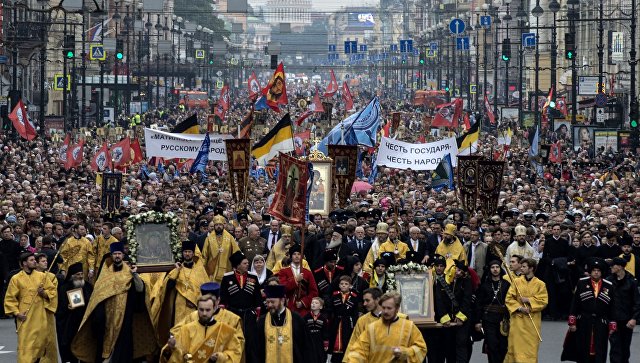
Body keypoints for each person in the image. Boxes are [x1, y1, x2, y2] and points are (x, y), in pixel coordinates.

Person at [71, 242, 156, 362]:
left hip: (125, 315)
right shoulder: (105, 274)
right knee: (105, 342)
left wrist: (135, 275)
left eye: (119, 254)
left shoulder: (129, 272)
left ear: (122, 255)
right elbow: (98, 295)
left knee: (124, 344)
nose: (117, 256)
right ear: (112, 255)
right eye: (115, 254)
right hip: (107, 317)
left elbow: (140, 290)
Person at [151, 239, 209, 345]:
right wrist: (177, 271)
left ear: (193, 253)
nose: (187, 254)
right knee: (179, 331)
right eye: (185, 252)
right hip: (179, 305)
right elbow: (167, 288)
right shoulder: (176, 270)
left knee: (194, 333)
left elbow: (205, 289)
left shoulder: (200, 271)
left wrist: (197, 301)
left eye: (189, 252)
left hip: (195, 307)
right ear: (182, 253)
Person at [3, 252, 57, 363]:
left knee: (40, 346)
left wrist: (44, 293)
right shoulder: (16, 278)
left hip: (40, 317)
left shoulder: (42, 276)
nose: (35, 262)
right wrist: (17, 313)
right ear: (24, 263)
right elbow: (10, 298)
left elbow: (52, 291)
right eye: (32, 260)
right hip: (25, 317)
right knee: (25, 347)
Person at [344, 291, 427, 362]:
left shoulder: (409, 326)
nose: (385, 311)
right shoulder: (372, 328)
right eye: (383, 308)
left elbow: (421, 349)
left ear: (397, 308)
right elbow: (359, 350)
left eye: (389, 308)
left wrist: (404, 352)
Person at [160, 294, 243, 363]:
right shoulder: (186, 329)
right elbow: (178, 355)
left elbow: (235, 353)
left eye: (207, 310)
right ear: (197, 309)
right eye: (201, 309)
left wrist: (220, 357)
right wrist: (171, 348)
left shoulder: (226, 331)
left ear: (214, 309)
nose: (204, 313)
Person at [565, 258, 615, 363]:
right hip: (584, 320)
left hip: (601, 322)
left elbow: (612, 307)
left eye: (598, 271)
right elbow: (575, 303)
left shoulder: (609, 285)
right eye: (594, 270)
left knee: (600, 349)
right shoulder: (581, 283)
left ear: (601, 272)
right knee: (583, 348)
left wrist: (612, 324)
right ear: (590, 272)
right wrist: (572, 322)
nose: (596, 272)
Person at [256, 284, 317, 363]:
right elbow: (255, 350)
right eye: (267, 302)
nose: (270, 305)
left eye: (272, 302)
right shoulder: (262, 321)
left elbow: (307, 348)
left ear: (282, 300)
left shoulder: (296, 319)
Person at [220, 250, 262, 363]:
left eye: (247, 263)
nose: (247, 264)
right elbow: (223, 298)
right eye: (244, 263)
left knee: (251, 343)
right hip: (233, 315)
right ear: (237, 265)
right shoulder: (227, 278)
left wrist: (257, 314)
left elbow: (258, 298)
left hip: (249, 315)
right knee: (234, 341)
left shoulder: (253, 277)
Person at [505, 258, 548, 363]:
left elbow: (544, 301)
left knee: (530, 348)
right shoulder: (516, 282)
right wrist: (519, 308)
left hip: (532, 321)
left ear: (531, 268)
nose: (521, 268)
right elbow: (509, 298)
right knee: (514, 346)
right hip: (517, 321)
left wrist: (529, 300)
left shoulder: (540, 284)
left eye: (524, 266)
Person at [56, 262, 93, 363]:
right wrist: (67, 308)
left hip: (84, 322)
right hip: (70, 323)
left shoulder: (88, 286)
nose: (80, 276)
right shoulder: (64, 288)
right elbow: (59, 308)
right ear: (72, 276)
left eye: (81, 274)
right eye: (78, 274)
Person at [475, 260, 510, 363]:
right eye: (493, 267)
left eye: (497, 267)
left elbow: (510, 302)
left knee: (503, 346)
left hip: (503, 320)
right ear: (490, 270)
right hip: (488, 319)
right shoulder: (484, 285)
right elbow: (478, 304)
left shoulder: (506, 284)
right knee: (492, 345)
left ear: (500, 269)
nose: (495, 269)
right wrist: (477, 321)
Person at [607, 257, 640, 363]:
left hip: (627, 320)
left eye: (613, 265)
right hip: (613, 320)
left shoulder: (632, 281)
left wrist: (634, 318)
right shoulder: (608, 281)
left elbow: (637, 302)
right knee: (615, 348)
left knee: (625, 348)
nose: (611, 267)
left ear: (620, 267)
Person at [278, 244, 319, 316]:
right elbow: (281, 288)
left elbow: (314, 292)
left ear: (302, 256)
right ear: (291, 256)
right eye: (294, 254)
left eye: (299, 254)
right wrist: (295, 280)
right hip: (287, 306)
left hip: (303, 309)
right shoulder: (283, 271)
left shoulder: (308, 273)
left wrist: (303, 302)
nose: (297, 256)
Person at [328, 275, 360, 362]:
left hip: (347, 322)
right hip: (336, 321)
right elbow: (330, 309)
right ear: (339, 285)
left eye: (346, 284)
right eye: (341, 284)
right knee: (334, 339)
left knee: (346, 339)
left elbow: (355, 313)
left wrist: (353, 322)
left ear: (350, 286)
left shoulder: (354, 297)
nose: (343, 285)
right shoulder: (335, 296)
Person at [35, 253, 59, 363]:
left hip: (47, 311)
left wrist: (44, 293)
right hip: (34, 313)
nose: (46, 263)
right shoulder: (30, 276)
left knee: (49, 340)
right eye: (43, 261)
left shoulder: (52, 277)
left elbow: (53, 293)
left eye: (46, 261)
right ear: (36, 263)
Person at [203, 214, 240, 283]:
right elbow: (204, 256)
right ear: (214, 226)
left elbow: (236, 253)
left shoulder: (230, 238)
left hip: (227, 269)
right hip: (213, 272)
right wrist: (203, 269)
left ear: (223, 225)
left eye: (220, 224)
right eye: (216, 225)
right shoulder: (208, 239)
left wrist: (236, 266)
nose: (218, 226)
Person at [304, 297, 330, 363]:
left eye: (316, 303)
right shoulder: (306, 317)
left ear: (321, 307)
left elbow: (325, 332)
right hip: (309, 340)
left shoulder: (323, 318)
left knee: (320, 356)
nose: (313, 304)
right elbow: (303, 330)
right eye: (312, 303)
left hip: (319, 341)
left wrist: (326, 344)